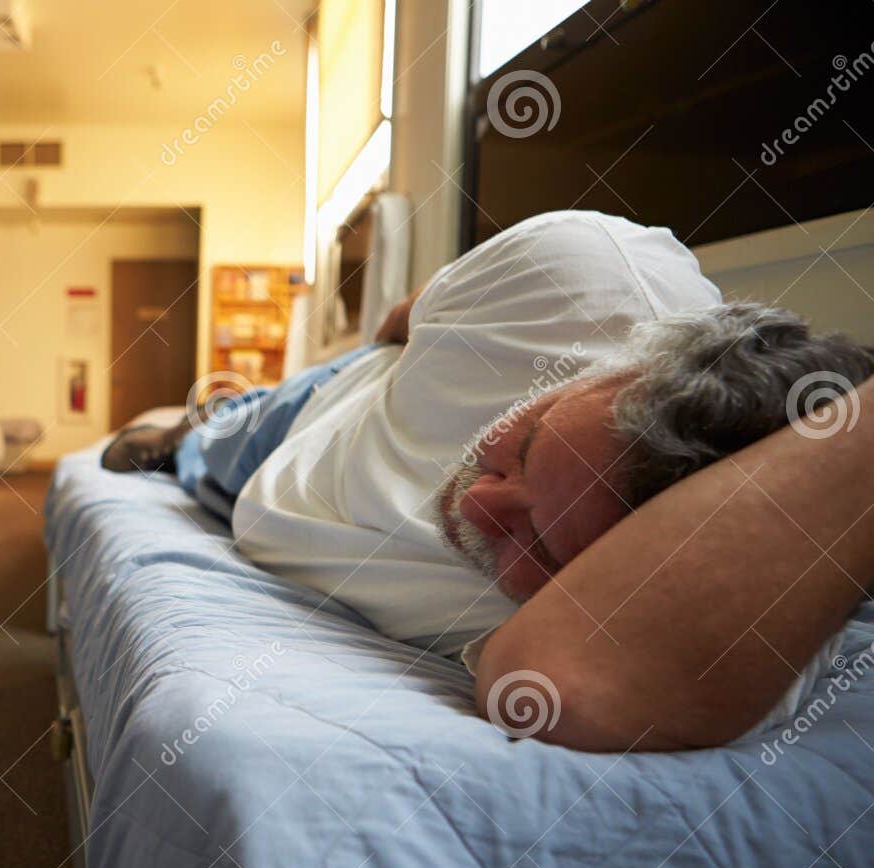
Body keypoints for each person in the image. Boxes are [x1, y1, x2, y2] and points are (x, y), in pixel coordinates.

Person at [101, 210, 874, 753]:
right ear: (622, 362)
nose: (476, 500)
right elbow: (412, 314)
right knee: (216, 438)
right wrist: (405, 368)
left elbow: (557, 687)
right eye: (524, 446)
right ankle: (198, 426)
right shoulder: (585, 270)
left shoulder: (688, 599)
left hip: (281, 493)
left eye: (535, 541)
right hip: (332, 406)